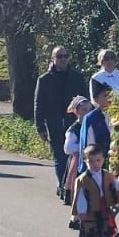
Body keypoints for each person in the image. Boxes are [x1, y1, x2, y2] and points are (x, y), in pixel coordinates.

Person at [34, 46, 88, 201]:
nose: (63, 59)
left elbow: (85, 100)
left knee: (75, 156)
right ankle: (63, 185)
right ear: (53, 59)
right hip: (54, 122)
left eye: (65, 56)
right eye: (59, 56)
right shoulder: (44, 80)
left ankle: (70, 186)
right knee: (60, 157)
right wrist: (40, 127)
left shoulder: (77, 77)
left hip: (75, 122)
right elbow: (39, 104)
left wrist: (86, 119)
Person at [69, 142, 119, 237]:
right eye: (91, 161)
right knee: (91, 231)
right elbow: (80, 197)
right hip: (89, 210)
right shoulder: (83, 179)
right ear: (85, 161)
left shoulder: (107, 175)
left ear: (103, 160)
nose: (95, 164)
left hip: (104, 207)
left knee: (103, 230)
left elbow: (116, 185)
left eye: (98, 160)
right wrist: (80, 212)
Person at [77, 81, 114, 176]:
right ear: (96, 99)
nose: (109, 98)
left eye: (110, 95)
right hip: (98, 162)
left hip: (116, 160)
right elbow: (89, 142)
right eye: (105, 95)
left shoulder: (118, 114)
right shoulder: (91, 118)